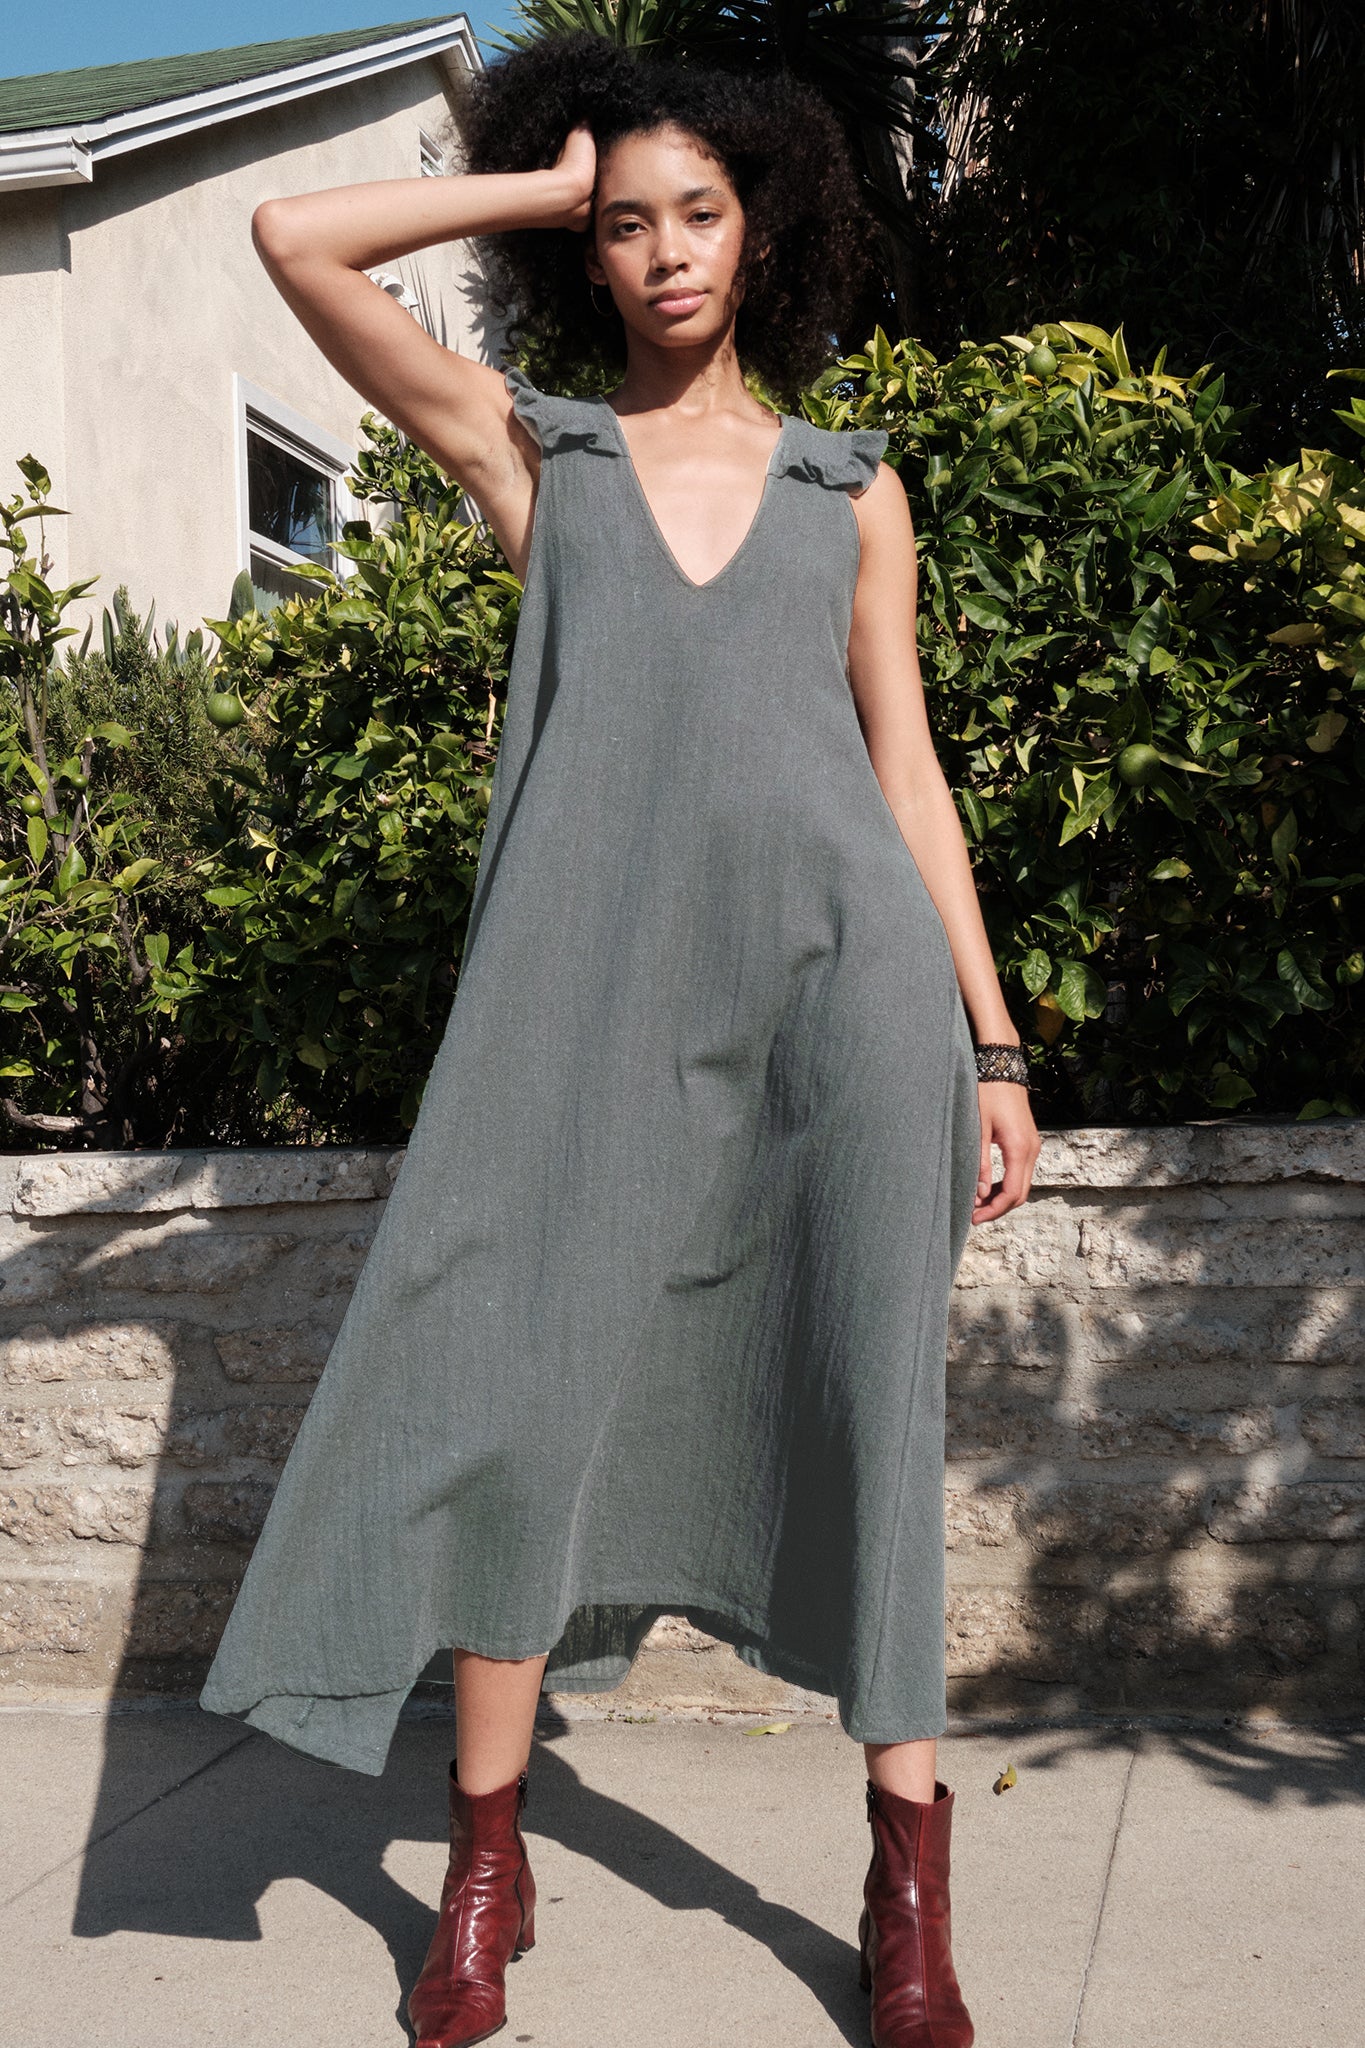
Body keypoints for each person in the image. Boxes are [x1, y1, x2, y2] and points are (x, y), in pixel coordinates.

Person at [200, 34, 1040, 2048]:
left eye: (699, 214)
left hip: (839, 1017)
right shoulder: (538, 457)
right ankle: (484, 1867)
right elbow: (291, 237)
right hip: (575, 1023)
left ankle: (905, 1884)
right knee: (512, 1407)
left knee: (866, 1419)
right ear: (591, 248)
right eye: (629, 222)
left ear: (762, 235)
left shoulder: (851, 494)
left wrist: (991, 1048)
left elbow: (905, 781)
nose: (664, 252)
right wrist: (526, 182)